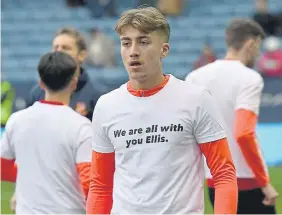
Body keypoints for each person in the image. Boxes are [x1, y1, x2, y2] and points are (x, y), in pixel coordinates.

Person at [86, 6, 238, 214]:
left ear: (164, 50)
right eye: (126, 43)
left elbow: (223, 174)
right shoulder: (106, 105)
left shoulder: (195, 99)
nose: (133, 51)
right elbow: (100, 186)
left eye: (143, 42)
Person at [185, 18, 279, 214]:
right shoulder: (250, 78)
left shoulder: (195, 77)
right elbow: (244, 133)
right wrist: (264, 182)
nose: (258, 53)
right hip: (247, 181)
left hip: (214, 181)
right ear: (251, 43)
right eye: (258, 47)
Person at [1, 52, 92, 214]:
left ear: (41, 83)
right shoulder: (82, 127)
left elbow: (3, 168)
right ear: (74, 83)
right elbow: (89, 182)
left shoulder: (16, 120)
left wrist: (33, 174)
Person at [27, 27, 99, 121]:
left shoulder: (97, 96)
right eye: (56, 47)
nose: (59, 51)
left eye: (66, 48)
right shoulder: (36, 93)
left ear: (82, 55)